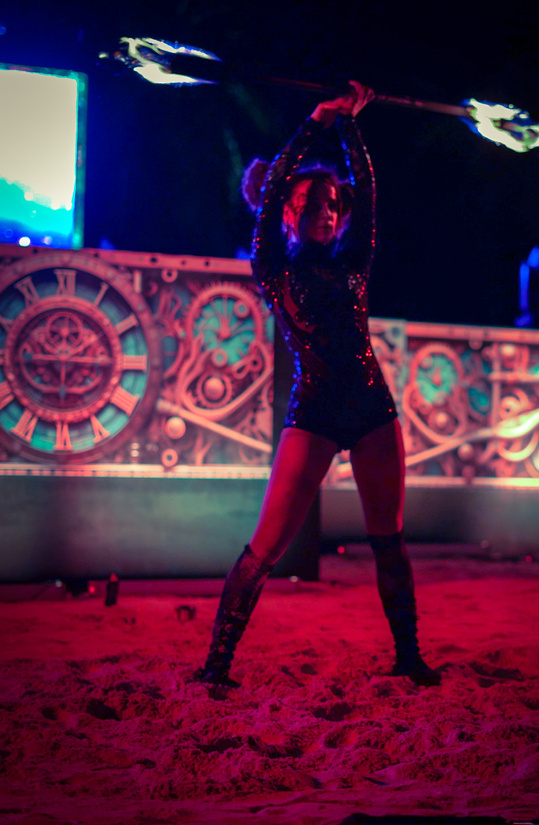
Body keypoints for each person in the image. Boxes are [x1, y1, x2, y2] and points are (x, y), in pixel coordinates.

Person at [195, 81, 440, 689]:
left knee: (389, 541)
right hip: (314, 413)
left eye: (333, 205)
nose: (327, 212)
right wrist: (316, 122)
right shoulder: (273, 266)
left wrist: (351, 124)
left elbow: (368, 194)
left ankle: (408, 658)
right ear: (287, 213)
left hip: (372, 408)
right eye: (313, 204)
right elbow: (278, 181)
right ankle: (216, 667)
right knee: (266, 546)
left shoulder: (354, 261)